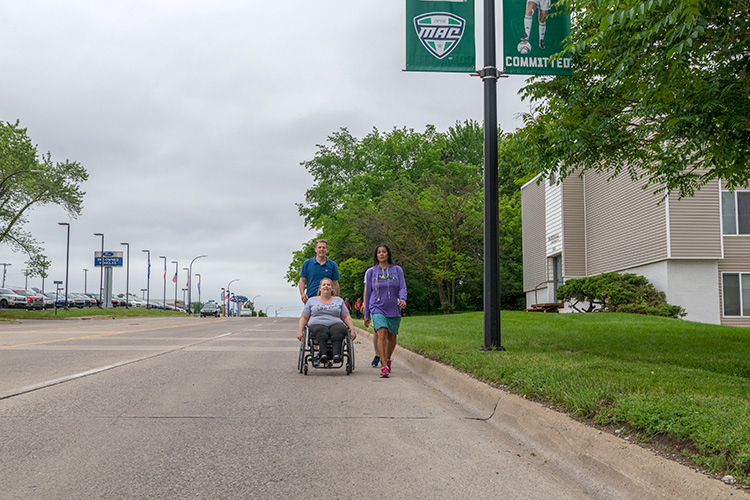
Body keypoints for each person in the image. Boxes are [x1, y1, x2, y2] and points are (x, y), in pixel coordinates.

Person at [363, 244, 406, 378]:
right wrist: (367, 314)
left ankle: (387, 358)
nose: (381, 254)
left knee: (392, 337)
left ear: (388, 254)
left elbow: (402, 287)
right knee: (382, 333)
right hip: (377, 306)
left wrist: (403, 299)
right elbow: (368, 293)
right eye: (379, 252)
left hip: (393, 307)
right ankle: (385, 366)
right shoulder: (371, 272)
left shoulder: (397, 270)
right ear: (376, 255)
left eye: (384, 252)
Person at [297, 278, 356, 364]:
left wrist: (352, 330)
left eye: (328, 285)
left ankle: (336, 355)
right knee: (321, 330)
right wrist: (300, 331)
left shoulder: (338, 300)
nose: (326, 286)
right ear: (320, 288)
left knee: (339, 329)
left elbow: (346, 316)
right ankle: (323, 354)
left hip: (335, 323)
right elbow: (304, 317)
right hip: (317, 324)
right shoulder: (312, 300)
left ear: (332, 288)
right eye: (324, 285)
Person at [298, 239, 340, 303]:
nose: (321, 249)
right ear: (316, 249)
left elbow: (335, 284)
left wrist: (336, 299)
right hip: (311, 298)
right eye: (319, 247)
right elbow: (302, 281)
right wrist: (302, 294)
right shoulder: (307, 263)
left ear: (326, 250)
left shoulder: (332, 265)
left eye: (323, 247)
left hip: (328, 300)